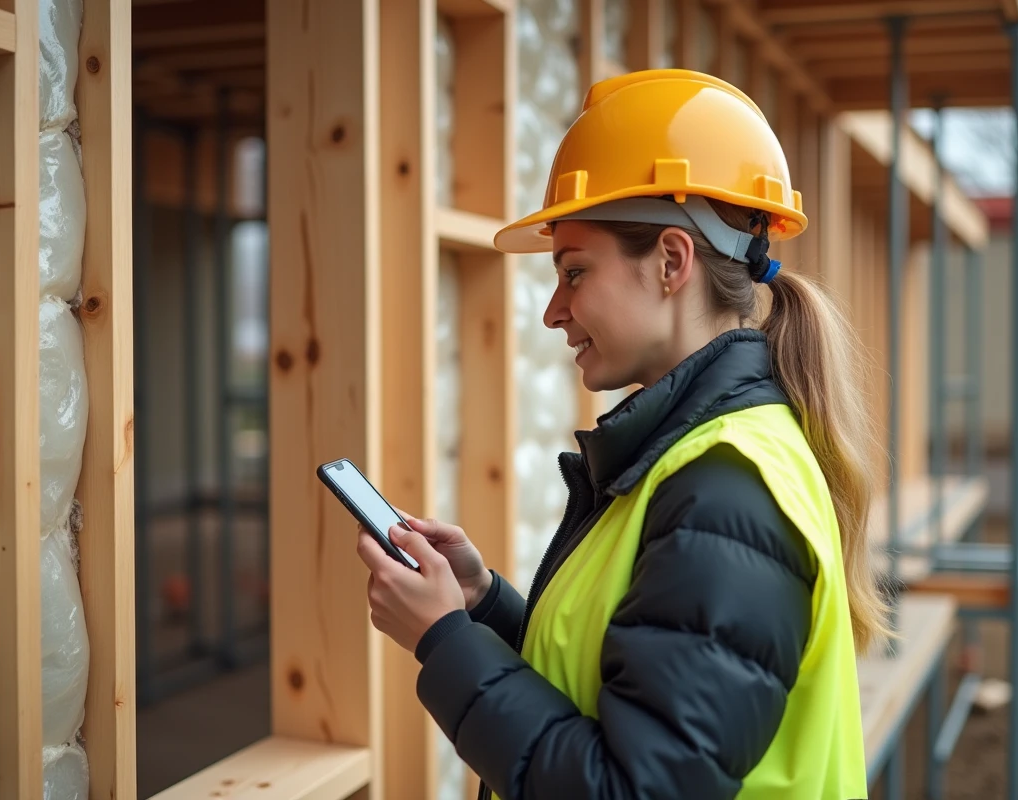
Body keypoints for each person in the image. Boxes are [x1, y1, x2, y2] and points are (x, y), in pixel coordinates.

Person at [354, 68, 889, 800]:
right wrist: (480, 604)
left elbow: (634, 788)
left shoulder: (728, 489)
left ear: (672, 261)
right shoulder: (687, 459)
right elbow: (624, 682)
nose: (553, 309)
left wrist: (442, 642)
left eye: (574, 272)